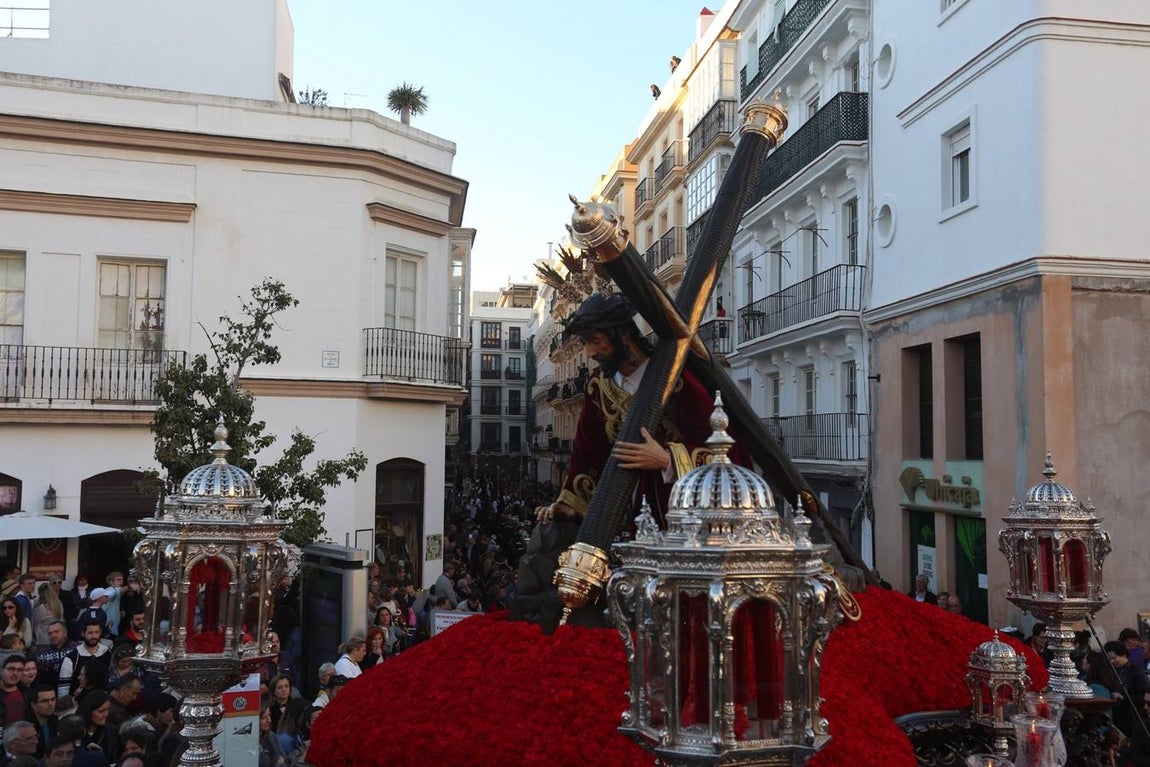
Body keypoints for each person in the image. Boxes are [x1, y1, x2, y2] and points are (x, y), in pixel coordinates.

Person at [57, 621, 111, 699]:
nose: (93, 636)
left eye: (96, 632)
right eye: (90, 633)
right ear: (83, 633)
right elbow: (63, 689)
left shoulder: (107, 653)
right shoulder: (72, 657)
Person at [33, 622, 72, 693]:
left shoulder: (76, 649)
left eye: (56, 632)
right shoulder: (41, 654)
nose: (53, 635)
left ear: (65, 633)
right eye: (50, 633)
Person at [25, 685, 57, 759]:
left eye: (53, 699)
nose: (50, 704)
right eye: (45, 701)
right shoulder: (26, 728)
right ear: (33, 705)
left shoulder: (56, 722)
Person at [1, 655, 25, 729]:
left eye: (20, 670)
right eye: (11, 669)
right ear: (1, 670)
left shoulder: (27, 693)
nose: (15, 673)